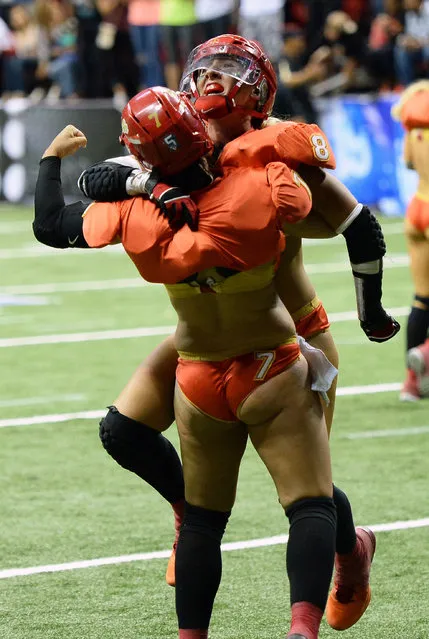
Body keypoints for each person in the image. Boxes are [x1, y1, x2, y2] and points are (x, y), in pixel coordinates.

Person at [80, 34, 400, 633]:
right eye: (205, 72)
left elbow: (361, 226)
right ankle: (185, 509)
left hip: (288, 328)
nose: (212, 84)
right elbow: (95, 178)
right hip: (205, 331)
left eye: (229, 73)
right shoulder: (173, 138)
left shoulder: (279, 151)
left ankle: (350, 553)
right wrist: (148, 185)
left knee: (309, 486)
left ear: (258, 90)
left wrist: (372, 312)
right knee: (122, 430)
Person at [34, 88, 337, 639]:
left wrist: (58, 160)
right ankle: (302, 630)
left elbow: (51, 224)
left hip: (197, 372)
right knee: (310, 503)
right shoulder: (263, 180)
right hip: (270, 361)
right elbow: (332, 214)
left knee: (202, 522)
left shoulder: (135, 211)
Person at [392, 80, 429, 401]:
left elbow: (407, 162)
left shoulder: (413, 127)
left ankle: (411, 384)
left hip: (417, 207)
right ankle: (427, 354)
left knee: (422, 298)